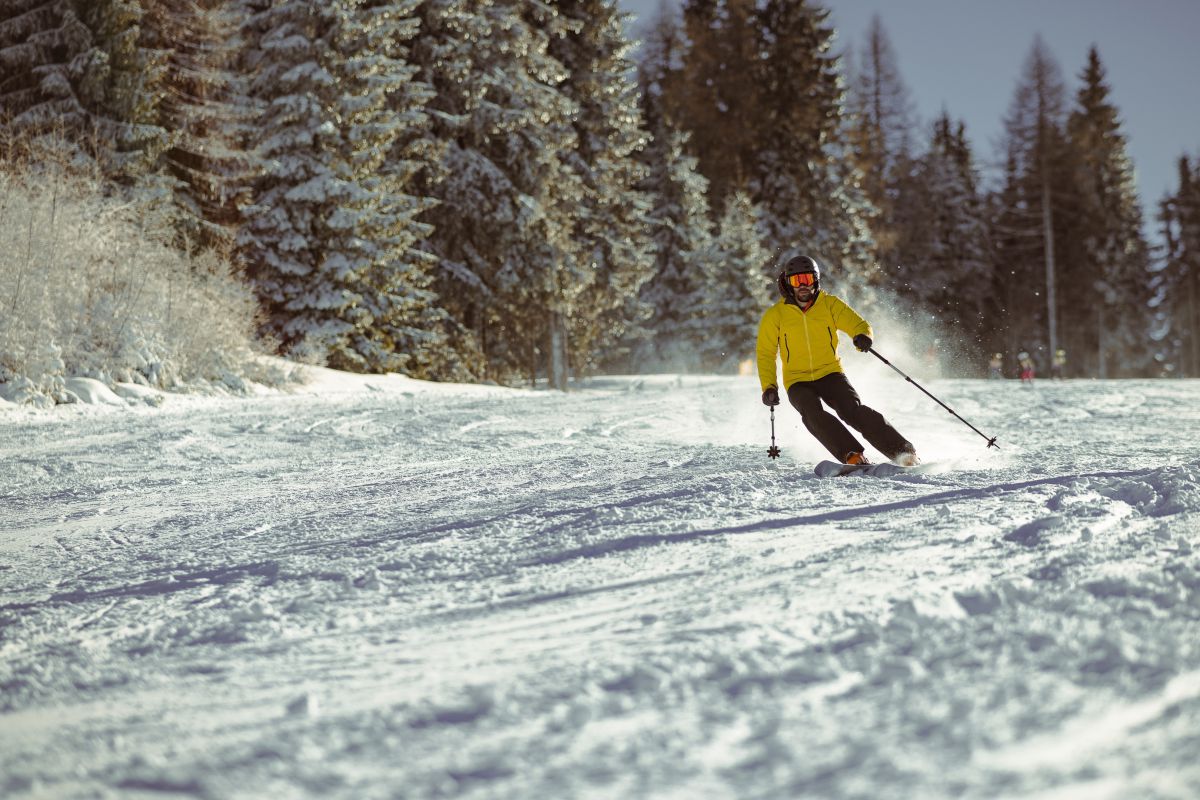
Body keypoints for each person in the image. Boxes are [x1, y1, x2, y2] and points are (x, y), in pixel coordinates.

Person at [756, 253, 918, 467]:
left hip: (830, 373)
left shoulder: (830, 304)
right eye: (796, 280)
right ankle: (852, 455)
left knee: (852, 410)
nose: (803, 285)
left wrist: (862, 336)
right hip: (797, 380)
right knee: (813, 414)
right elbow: (765, 353)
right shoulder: (776, 315)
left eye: (807, 279)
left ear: (815, 280)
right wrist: (769, 386)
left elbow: (858, 324)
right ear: (788, 283)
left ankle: (903, 453)